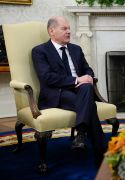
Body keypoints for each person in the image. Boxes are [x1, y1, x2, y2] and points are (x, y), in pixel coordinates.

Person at [32, 16, 106, 165]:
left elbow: (87, 69)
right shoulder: (40, 51)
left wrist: (89, 77)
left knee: (86, 87)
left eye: (69, 28)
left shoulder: (76, 49)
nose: (68, 32)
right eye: (64, 28)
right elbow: (47, 78)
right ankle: (100, 151)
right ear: (51, 31)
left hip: (80, 90)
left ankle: (81, 136)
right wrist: (77, 80)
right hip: (57, 93)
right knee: (89, 104)